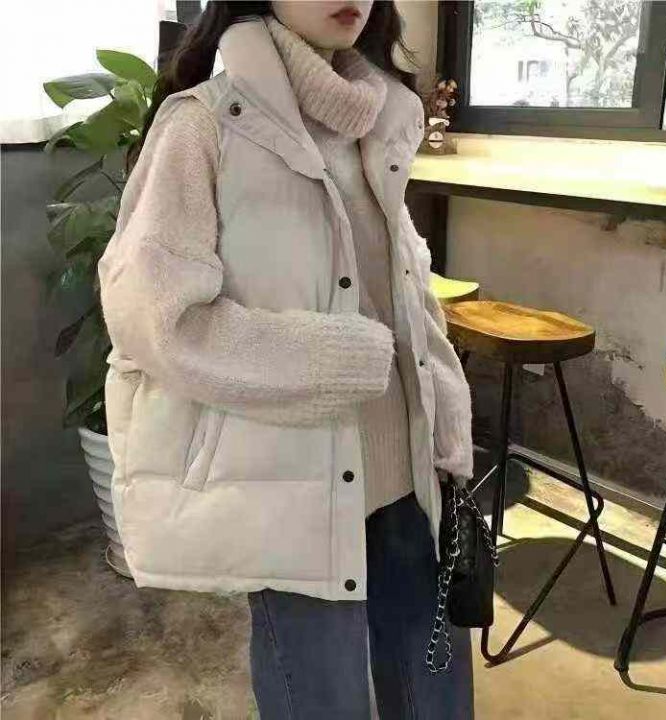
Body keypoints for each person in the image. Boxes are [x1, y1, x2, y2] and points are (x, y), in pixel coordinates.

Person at [98, 2, 475, 717]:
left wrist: (449, 419)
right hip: (294, 488)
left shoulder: (379, 119)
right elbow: (154, 317)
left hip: (411, 471)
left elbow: (407, 288)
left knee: (435, 695)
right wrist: (334, 362)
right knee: (323, 702)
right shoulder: (203, 124)